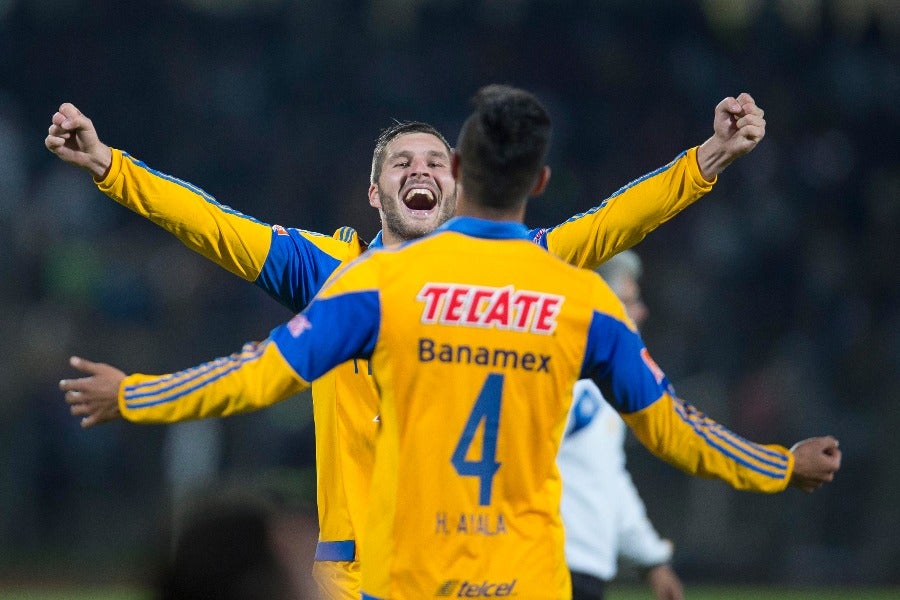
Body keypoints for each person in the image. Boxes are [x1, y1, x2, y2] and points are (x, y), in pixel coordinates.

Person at [56, 84, 840, 600]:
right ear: (375, 193)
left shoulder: (505, 272)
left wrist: (706, 161)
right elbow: (214, 226)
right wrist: (107, 166)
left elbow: (613, 221)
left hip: (426, 567)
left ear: (460, 181)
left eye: (435, 159)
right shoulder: (336, 271)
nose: (419, 169)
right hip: (357, 566)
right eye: (401, 162)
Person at [558, 250, 682, 600]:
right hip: (556, 569)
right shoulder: (576, 382)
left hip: (577, 569)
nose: (641, 311)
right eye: (628, 301)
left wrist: (652, 560)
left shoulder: (598, 382)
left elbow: (608, 477)